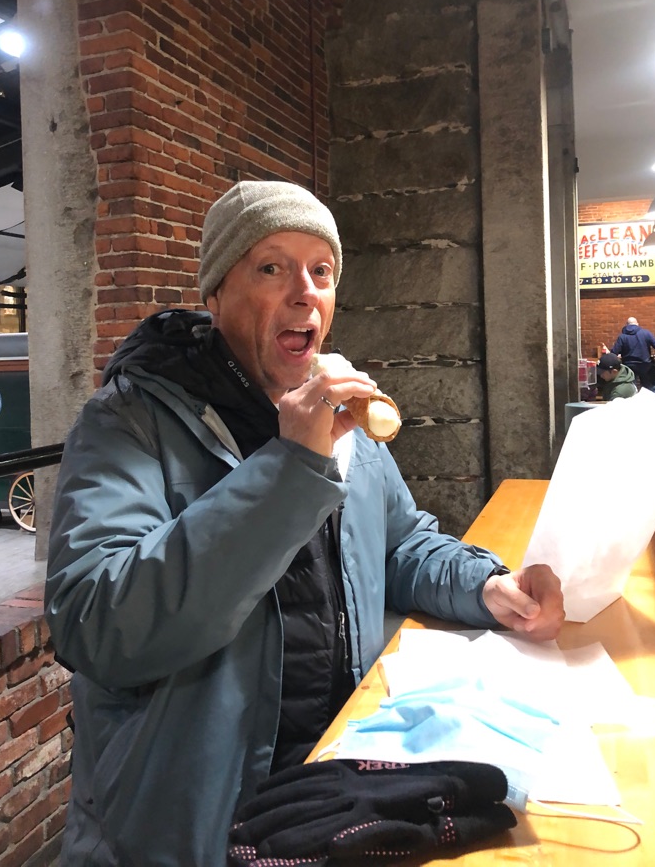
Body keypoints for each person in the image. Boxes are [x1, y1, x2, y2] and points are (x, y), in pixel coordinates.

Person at [44, 179, 564, 867]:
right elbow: (96, 623)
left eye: (321, 271)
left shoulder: (341, 418)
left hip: (327, 788)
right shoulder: (127, 421)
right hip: (185, 820)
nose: (304, 292)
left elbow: (400, 542)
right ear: (215, 293)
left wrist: (485, 585)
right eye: (271, 267)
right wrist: (291, 467)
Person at [610, 316, 655, 389]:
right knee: (648, 387)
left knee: (632, 387)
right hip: (645, 365)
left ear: (626, 325)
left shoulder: (622, 337)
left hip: (629, 365)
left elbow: (615, 352)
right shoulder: (645, 333)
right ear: (637, 324)